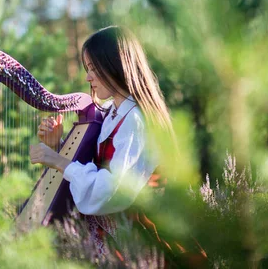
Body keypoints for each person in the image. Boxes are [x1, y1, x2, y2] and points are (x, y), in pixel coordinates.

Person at [29, 25, 176, 258]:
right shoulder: (112, 113)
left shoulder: (135, 119)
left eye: (93, 68)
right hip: (111, 238)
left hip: (135, 241)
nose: (88, 77)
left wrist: (57, 159)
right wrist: (57, 144)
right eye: (87, 69)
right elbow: (92, 165)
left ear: (116, 65)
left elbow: (111, 190)